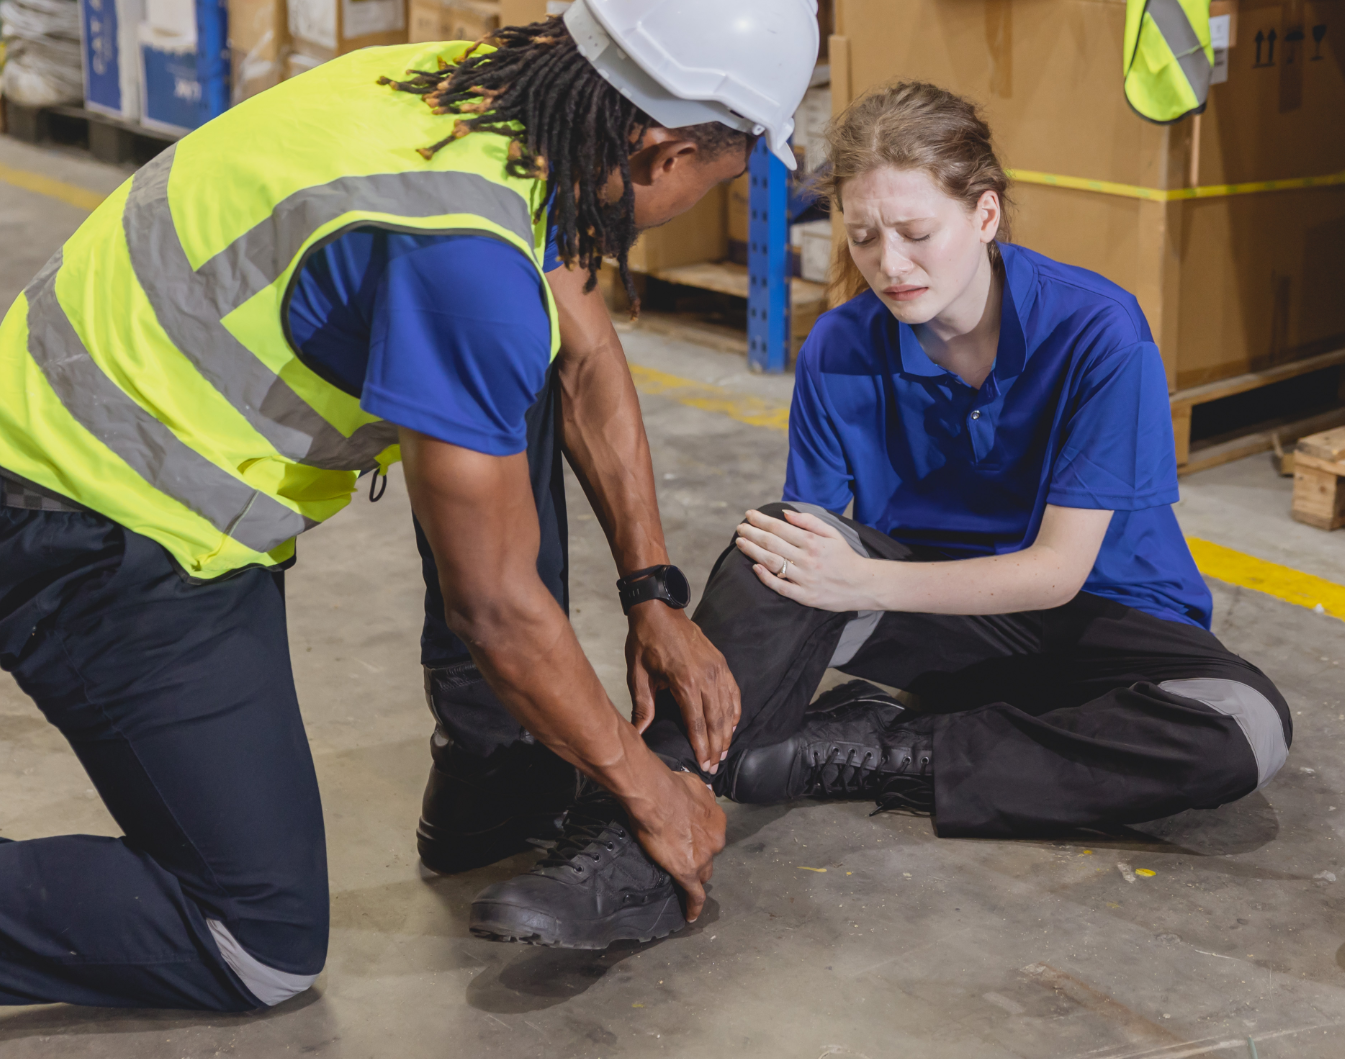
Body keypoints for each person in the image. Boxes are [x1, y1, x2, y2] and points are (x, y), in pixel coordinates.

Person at [0, 0, 817, 1011]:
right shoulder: (462, 262)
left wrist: (652, 591)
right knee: (252, 943)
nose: (718, 197)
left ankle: (491, 775)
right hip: (84, 521)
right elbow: (494, 605)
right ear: (662, 147)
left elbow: (584, 352)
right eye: (728, 173)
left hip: (68, 436)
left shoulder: (473, 94)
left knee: (513, 359)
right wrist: (648, 787)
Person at [478, 80, 1289, 957]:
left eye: (916, 233)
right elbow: (804, 558)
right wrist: (804, 585)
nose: (890, 264)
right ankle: (629, 836)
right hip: (948, 633)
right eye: (863, 237)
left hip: (1110, 626)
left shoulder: (1096, 331)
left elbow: (1058, 571)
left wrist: (861, 580)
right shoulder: (840, 345)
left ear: (984, 215)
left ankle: (876, 749)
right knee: (778, 547)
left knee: (1246, 729)